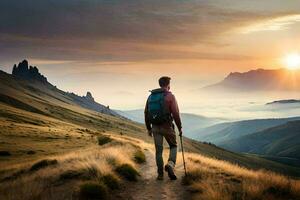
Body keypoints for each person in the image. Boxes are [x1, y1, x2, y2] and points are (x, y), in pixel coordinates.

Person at [144, 76, 182, 180]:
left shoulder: (150, 97)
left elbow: (146, 113)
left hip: (155, 127)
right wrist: (180, 127)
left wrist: (149, 128)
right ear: (168, 85)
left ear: (160, 84)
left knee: (158, 151)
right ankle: (170, 164)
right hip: (167, 127)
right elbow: (175, 113)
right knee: (174, 146)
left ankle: (160, 175)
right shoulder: (170, 96)